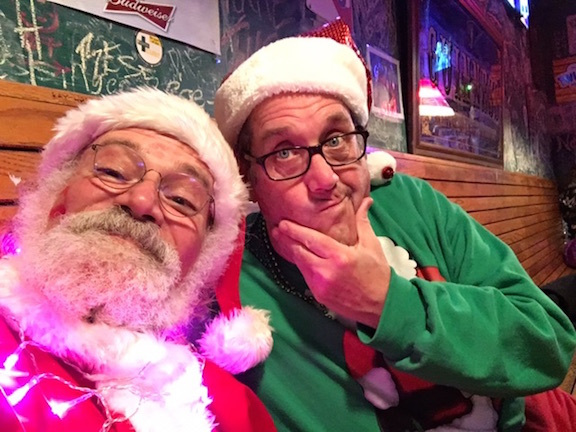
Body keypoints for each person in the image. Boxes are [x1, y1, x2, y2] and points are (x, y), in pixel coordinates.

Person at [213, 20, 576, 431]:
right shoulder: (233, 286)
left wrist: (385, 301)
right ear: (248, 179)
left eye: (336, 140)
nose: (325, 178)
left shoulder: (409, 202)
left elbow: (547, 345)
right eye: (285, 152)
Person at [0, 88, 276, 432]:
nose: (142, 201)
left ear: (200, 260)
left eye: (182, 199)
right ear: (58, 199)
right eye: (114, 171)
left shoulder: (229, 406)